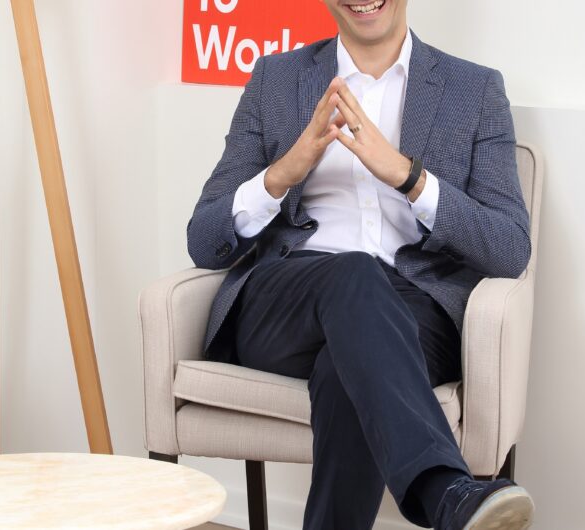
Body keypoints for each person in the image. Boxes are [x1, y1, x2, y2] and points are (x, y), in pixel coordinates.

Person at [186, 1, 535, 528]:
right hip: (288, 299)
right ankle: (444, 489)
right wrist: (281, 174)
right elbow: (203, 238)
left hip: (414, 309)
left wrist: (409, 177)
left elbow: (509, 248)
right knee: (354, 271)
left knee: (345, 370)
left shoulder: (474, 90)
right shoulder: (276, 80)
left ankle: (445, 497)